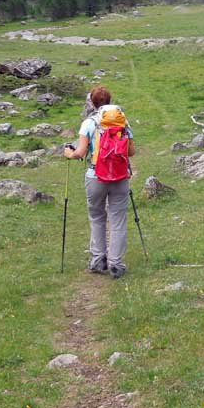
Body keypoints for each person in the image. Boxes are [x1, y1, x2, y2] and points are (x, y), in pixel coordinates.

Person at [64, 87, 135, 279]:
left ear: (93, 103)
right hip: (120, 177)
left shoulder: (89, 123)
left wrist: (69, 153)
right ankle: (116, 264)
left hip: (95, 176)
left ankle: (98, 260)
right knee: (118, 219)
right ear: (110, 101)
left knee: (97, 216)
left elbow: (80, 153)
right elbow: (131, 152)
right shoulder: (123, 122)